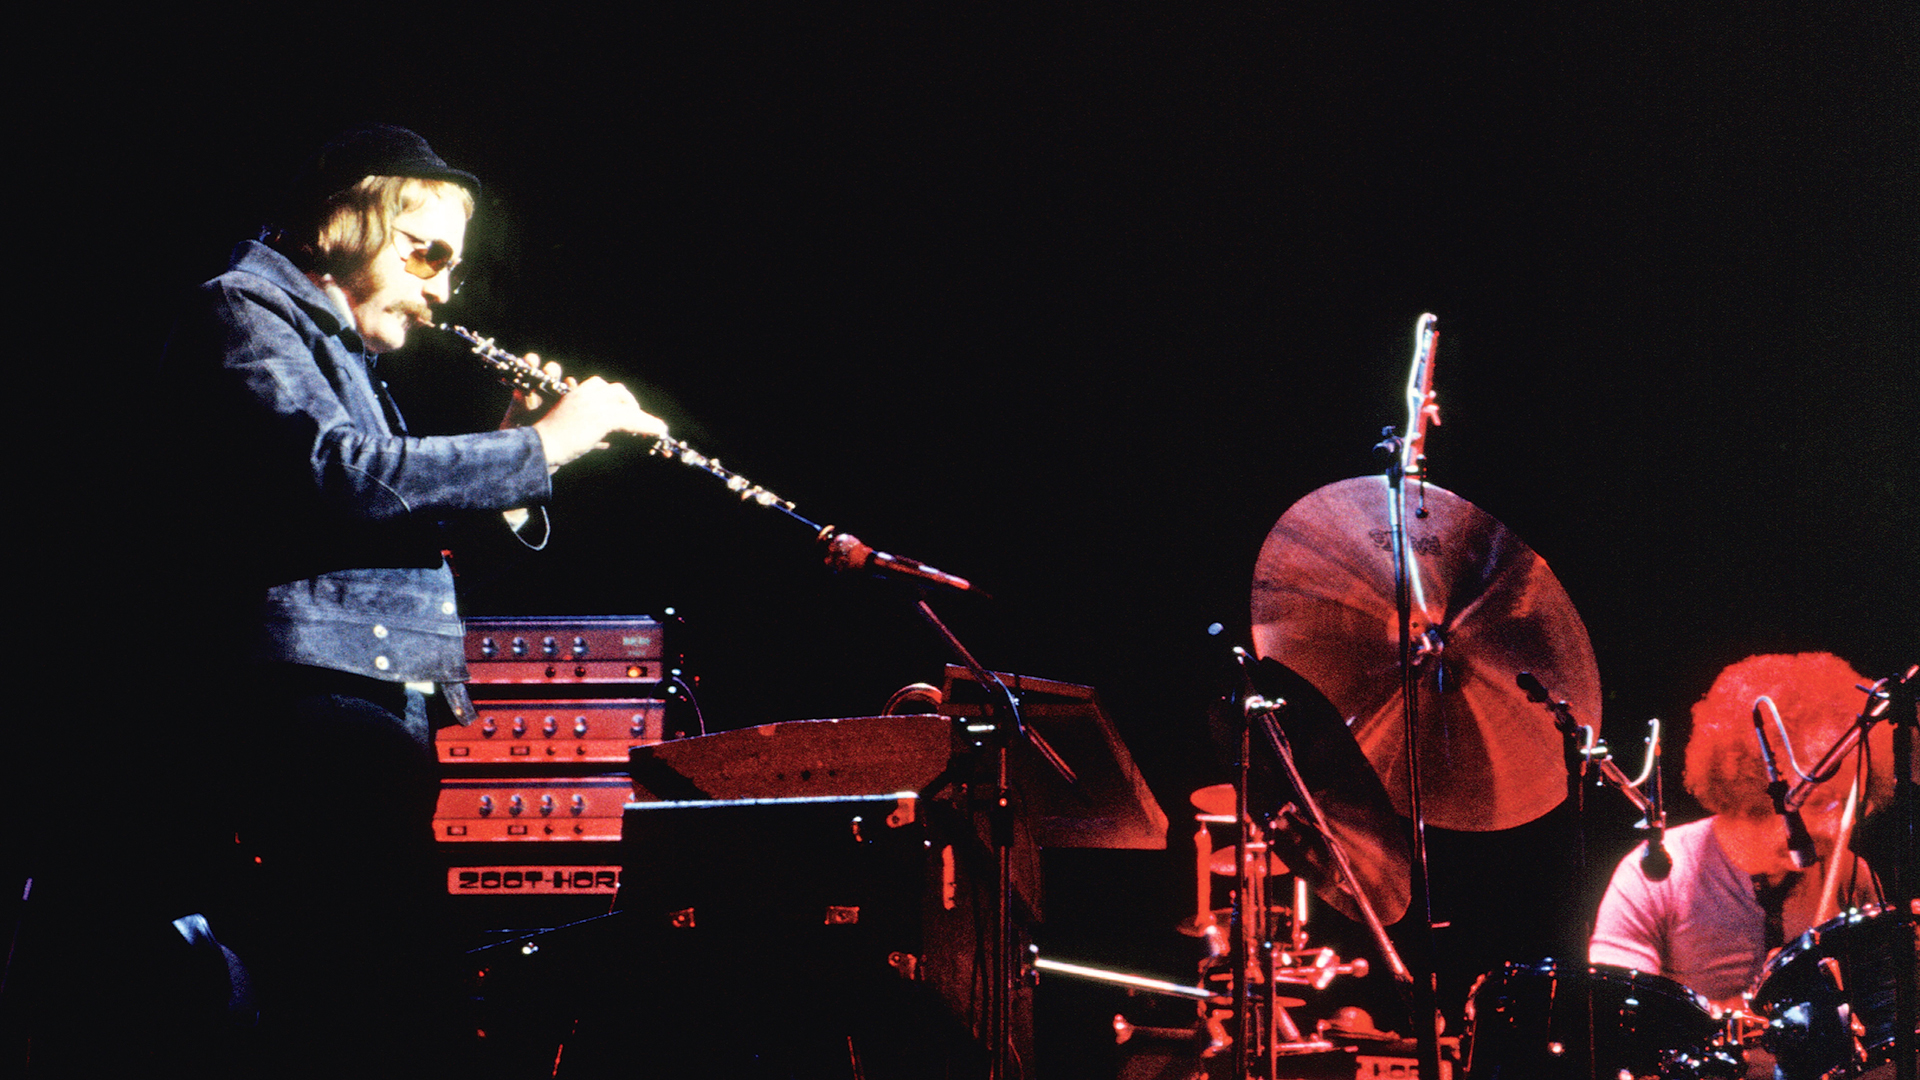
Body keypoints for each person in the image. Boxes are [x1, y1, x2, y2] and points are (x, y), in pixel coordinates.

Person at [150, 125, 666, 1078]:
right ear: (343, 220)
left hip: (368, 698)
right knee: (372, 989)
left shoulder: (331, 346)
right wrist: (541, 445)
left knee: (374, 981)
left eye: (452, 267)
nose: (440, 286)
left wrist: (516, 469)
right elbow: (342, 477)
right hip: (310, 699)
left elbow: (388, 545)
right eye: (423, 251)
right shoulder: (243, 308)